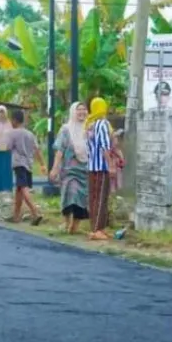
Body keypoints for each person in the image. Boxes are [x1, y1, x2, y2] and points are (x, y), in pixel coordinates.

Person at [49, 102, 89, 234]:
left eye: (84, 109)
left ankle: (75, 226)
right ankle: (67, 222)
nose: (82, 112)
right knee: (70, 194)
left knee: (81, 198)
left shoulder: (89, 128)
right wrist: (55, 168)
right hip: (69, 170)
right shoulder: (66, 129)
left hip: (85, 170)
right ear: (73, 112)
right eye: (79, 110)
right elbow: (60, 150)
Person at [6, 109, 46, 225]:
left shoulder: (12, 133)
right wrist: (43, 164)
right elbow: (37, 150)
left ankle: (35, 212)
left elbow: (8, 147)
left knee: (23, 188)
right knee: (19, 189)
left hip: (19, 163)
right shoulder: (30, 134)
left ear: (14, 120)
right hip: (29, 164)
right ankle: (16, 215)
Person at [85, 97, 114, 241]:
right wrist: (111, 165)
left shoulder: (90, 124)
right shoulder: (102, 124)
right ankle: (97, 230)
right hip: (101, 167)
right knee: (100, 198)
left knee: (95, 198)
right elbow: (104, 147)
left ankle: (98, 228)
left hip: (91, 167)